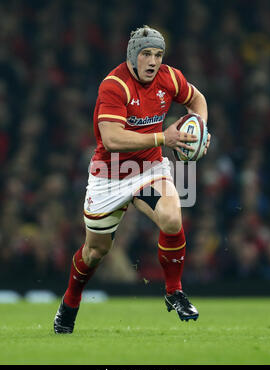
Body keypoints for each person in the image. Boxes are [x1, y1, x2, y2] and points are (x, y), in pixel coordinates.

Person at [54, 25, 210, 333]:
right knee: (95, 252)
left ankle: (173, 291)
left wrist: (199, 128)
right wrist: (163, 137)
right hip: (110, 175)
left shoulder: (170, 78)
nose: (153, 61)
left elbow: (197, 99)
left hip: (148, 171)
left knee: (171, 218)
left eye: (158, 54)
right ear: (132, 55)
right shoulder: (114, 86)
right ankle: (70, 301)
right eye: (146, 54)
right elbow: (111, 139)